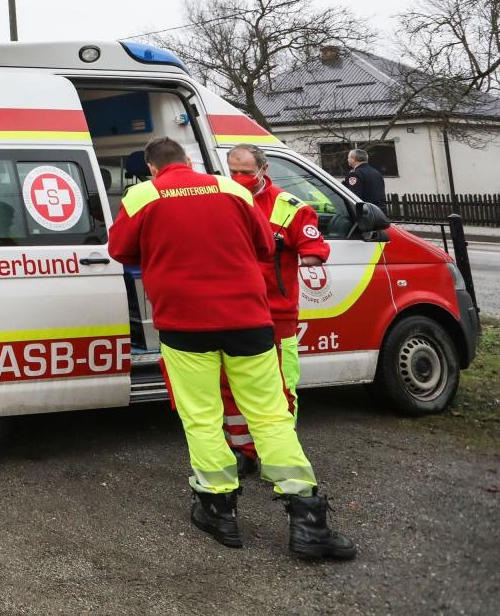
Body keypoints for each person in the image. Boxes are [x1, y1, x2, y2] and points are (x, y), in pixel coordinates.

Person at [108, 137, 355, 559]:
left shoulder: (142, 196)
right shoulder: (232, 191)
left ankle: (218, 511)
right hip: (249, 322)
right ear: (189, 160)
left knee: (202, 416)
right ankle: (309, 521)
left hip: (185, 325)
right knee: (271, 414)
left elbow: (120, 250)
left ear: (151, 167)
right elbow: (263, 246)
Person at [221, 143, 330, 472]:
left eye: (246, 172)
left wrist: (280, 245)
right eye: (233, 171)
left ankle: (280, 450)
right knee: (231, 385)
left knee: (281, 385)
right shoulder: (222, 197)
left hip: (275, 312)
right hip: (233, 311)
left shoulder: (289, 207)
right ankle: (243, 450)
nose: (239, 178)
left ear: (263, 170)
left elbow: (315, 251)